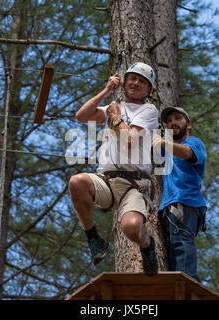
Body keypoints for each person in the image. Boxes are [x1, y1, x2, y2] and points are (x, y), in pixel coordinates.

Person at [69, 62, 159, 275]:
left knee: (131, 228)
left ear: (149, 90)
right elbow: (81, 116)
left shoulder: (148, 110)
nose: (136, 83)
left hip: (133, 185)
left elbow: (130, 141)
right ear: (125, 81)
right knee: (77, 182)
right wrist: (107, 90)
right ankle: (93, 238)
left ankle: (148, 244)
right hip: (107, 181)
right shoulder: (112, 107)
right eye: (133, 78)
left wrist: (116, 117)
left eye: (143, 82)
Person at [152, 106, 207, 282]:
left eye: (177, 118)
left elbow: (186, 153)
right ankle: (178, 286)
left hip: (185, 203)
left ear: (188, 124)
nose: (172, 123)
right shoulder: (167, 150)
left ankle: (188, 285)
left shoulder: (194, 143)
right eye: (168, 121)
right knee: (173, 254)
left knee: (182, 244)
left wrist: (161, 142)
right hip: (171, 207)